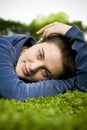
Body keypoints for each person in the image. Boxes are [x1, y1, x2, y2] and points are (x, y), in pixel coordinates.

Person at [0, 22, 86, 101]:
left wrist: (77, 38)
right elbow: (16, 93)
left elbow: (81, 87)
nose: (33, 67)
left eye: (45, 72)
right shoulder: (3, 46)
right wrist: (69, 82)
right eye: (40, 55)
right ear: (38, 42)